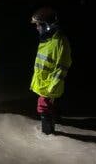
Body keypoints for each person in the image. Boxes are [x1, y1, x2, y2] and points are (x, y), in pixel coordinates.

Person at [30, 7, 72, 135]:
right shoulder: (47, 40)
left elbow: (62, 67)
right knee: (50, 109)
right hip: (44, 84)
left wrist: (52, 87)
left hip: (49, 86)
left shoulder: (60, 41)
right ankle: (53, 127)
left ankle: (47, 135)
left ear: (47, 25)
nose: (37, 28)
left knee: (43, 108)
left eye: (38, 25)